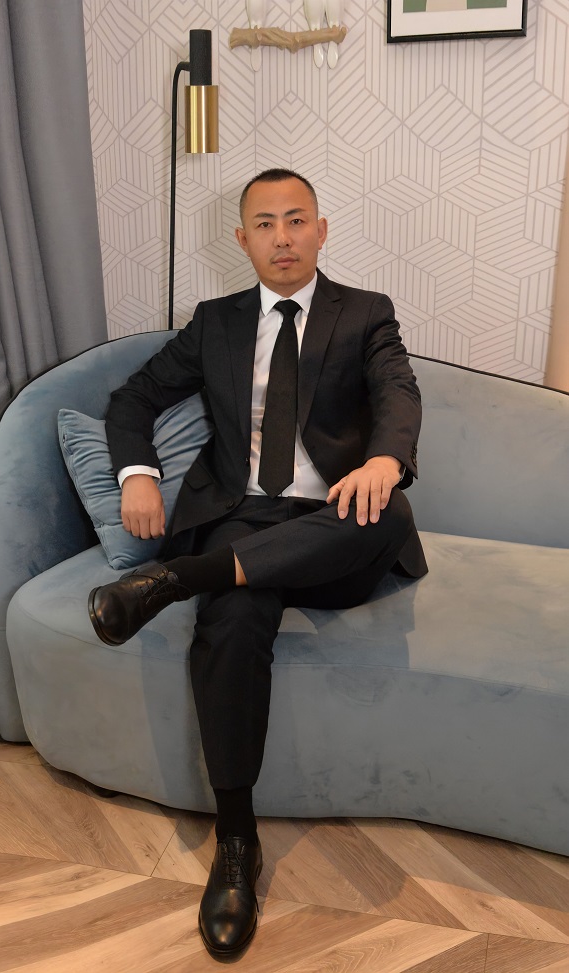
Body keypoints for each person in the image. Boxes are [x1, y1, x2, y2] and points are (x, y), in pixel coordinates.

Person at [88, 169, 427, 956]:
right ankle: (236, 843)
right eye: (265, 224)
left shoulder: (366, 313)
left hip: (333, 520)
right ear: (242, 239)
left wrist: (383, 460)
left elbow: (397, 392)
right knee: (233, 620)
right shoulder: (215, 322)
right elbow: (133, 399)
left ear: (321, 230)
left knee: (389, 508)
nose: (283, 237)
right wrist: (137, 474)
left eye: (296, 220)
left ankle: (173, 580)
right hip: (241, 518)